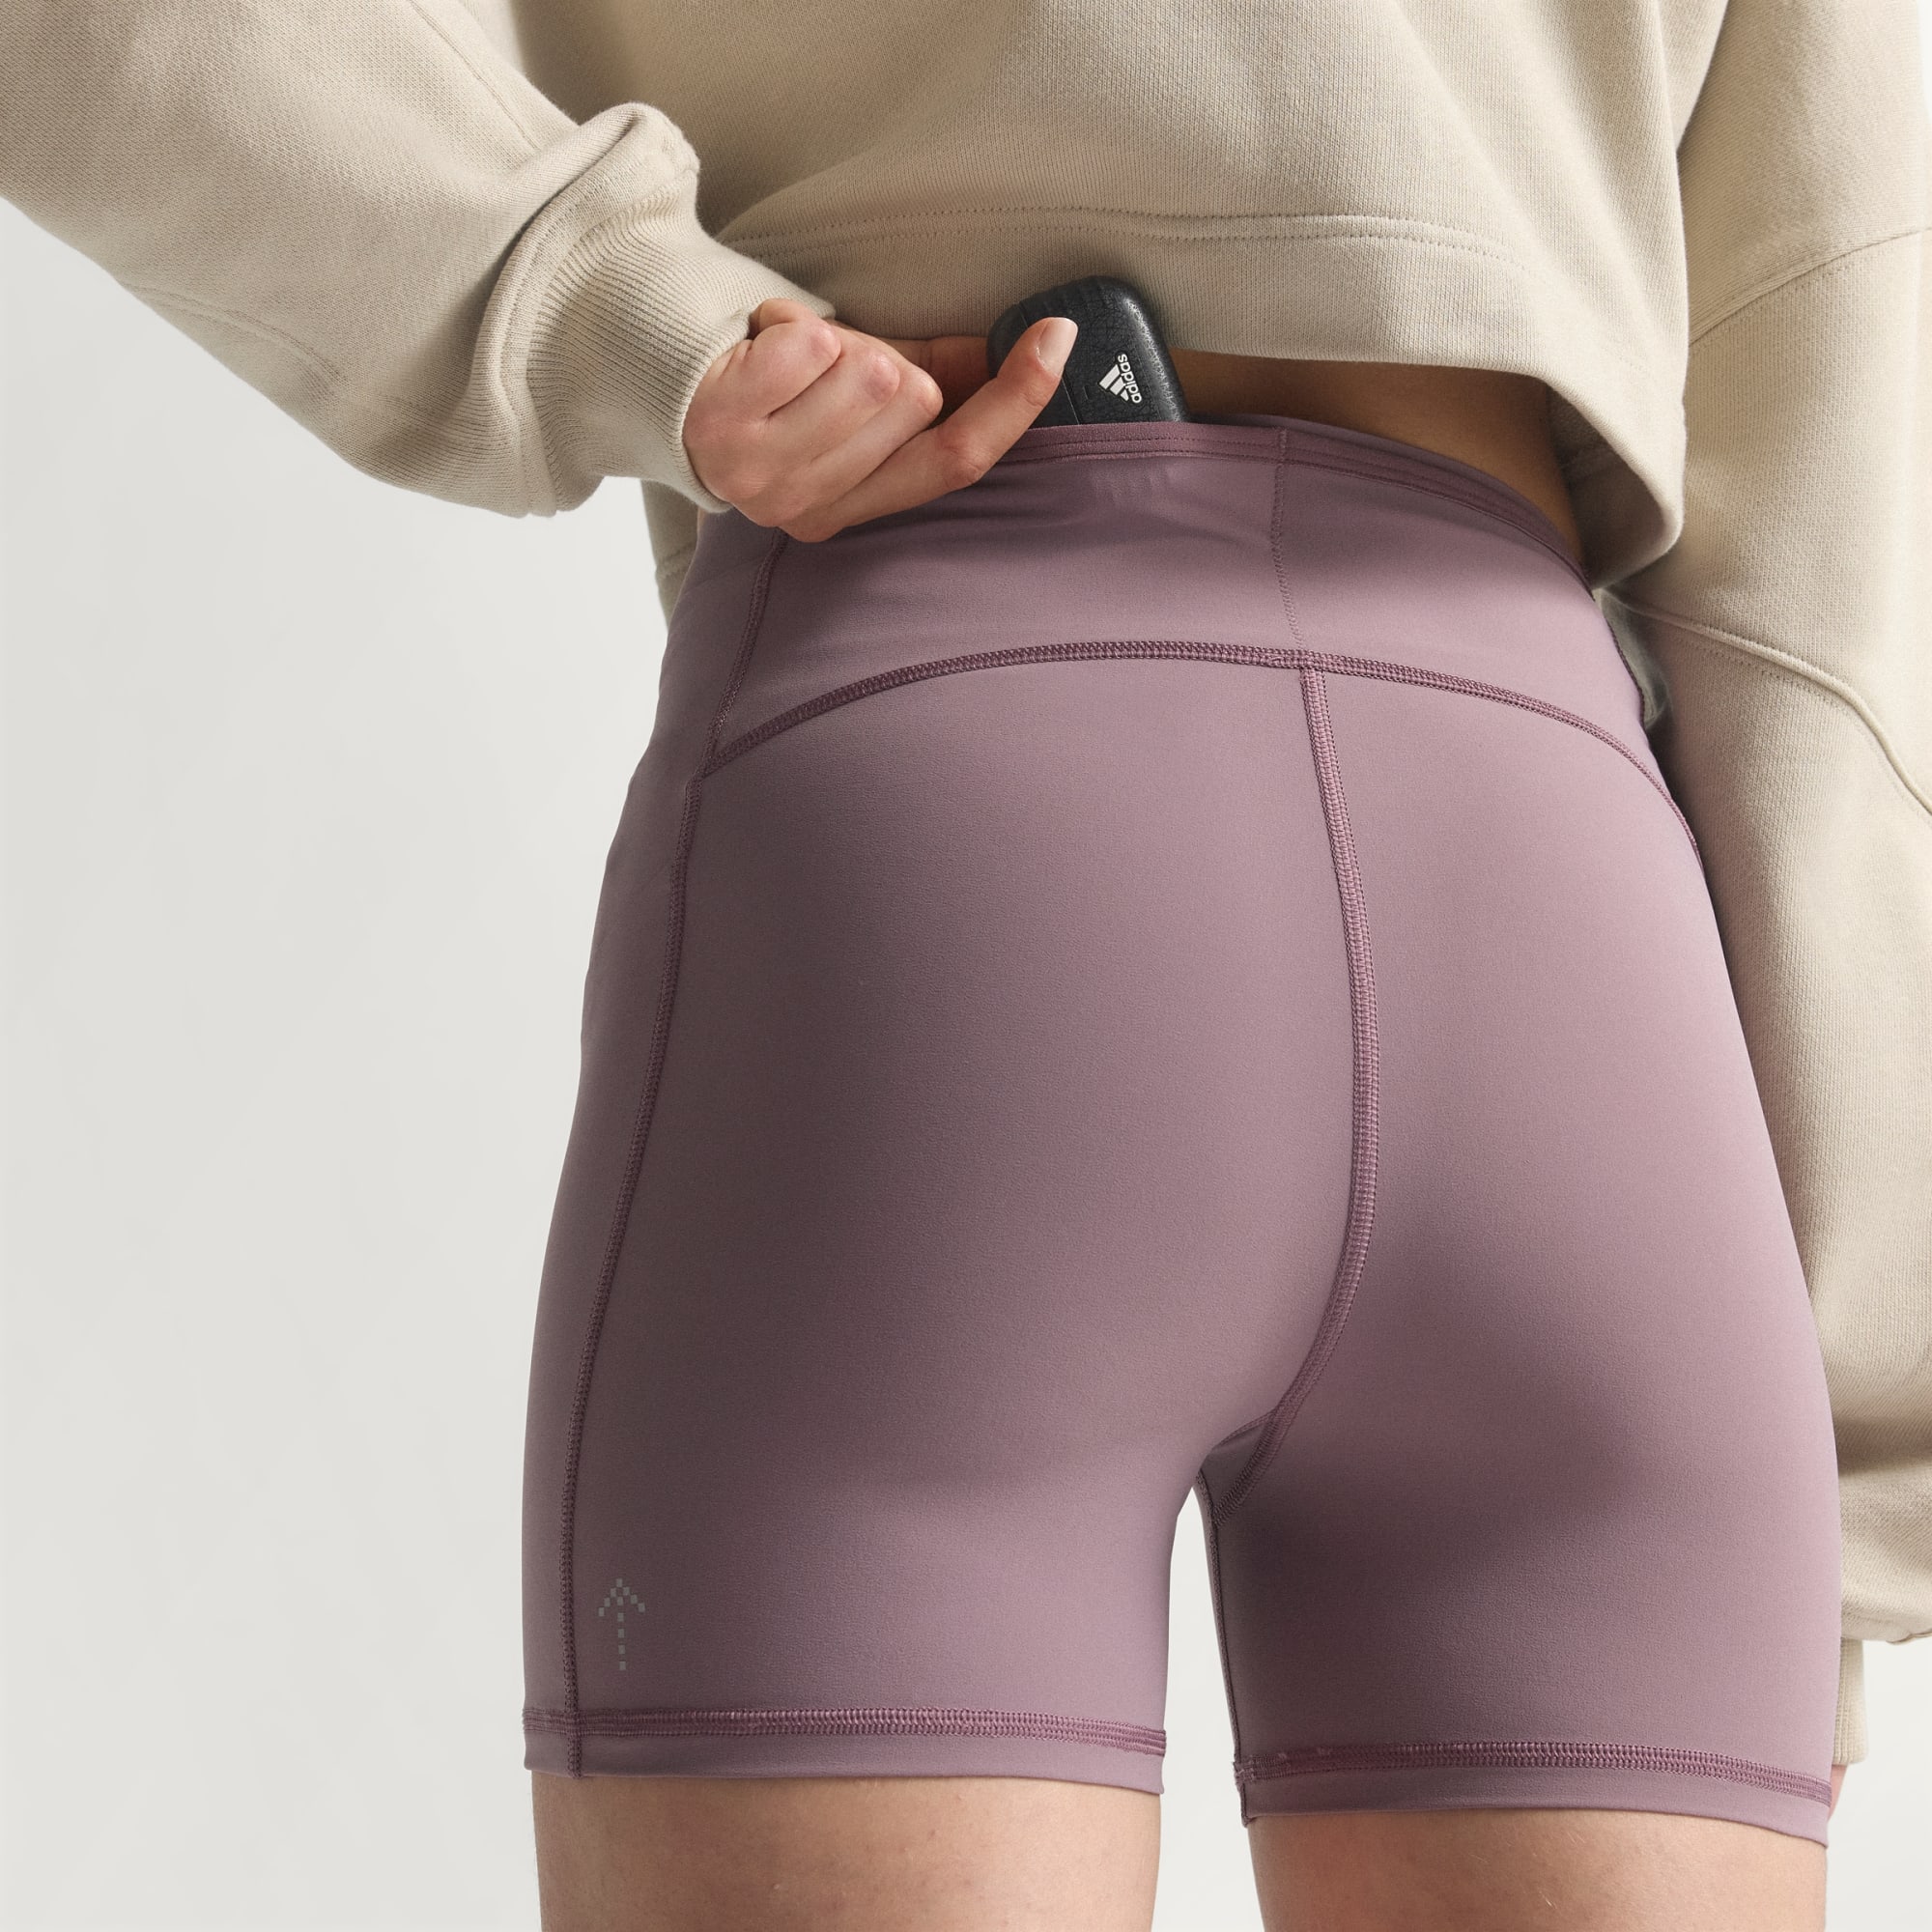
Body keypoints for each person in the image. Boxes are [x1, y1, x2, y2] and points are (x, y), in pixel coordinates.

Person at [3, 3, 1926, 1926]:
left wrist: (605, 300)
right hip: (1565, 931)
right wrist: (1817, 1504)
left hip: (951, 846)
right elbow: (1835, 502)